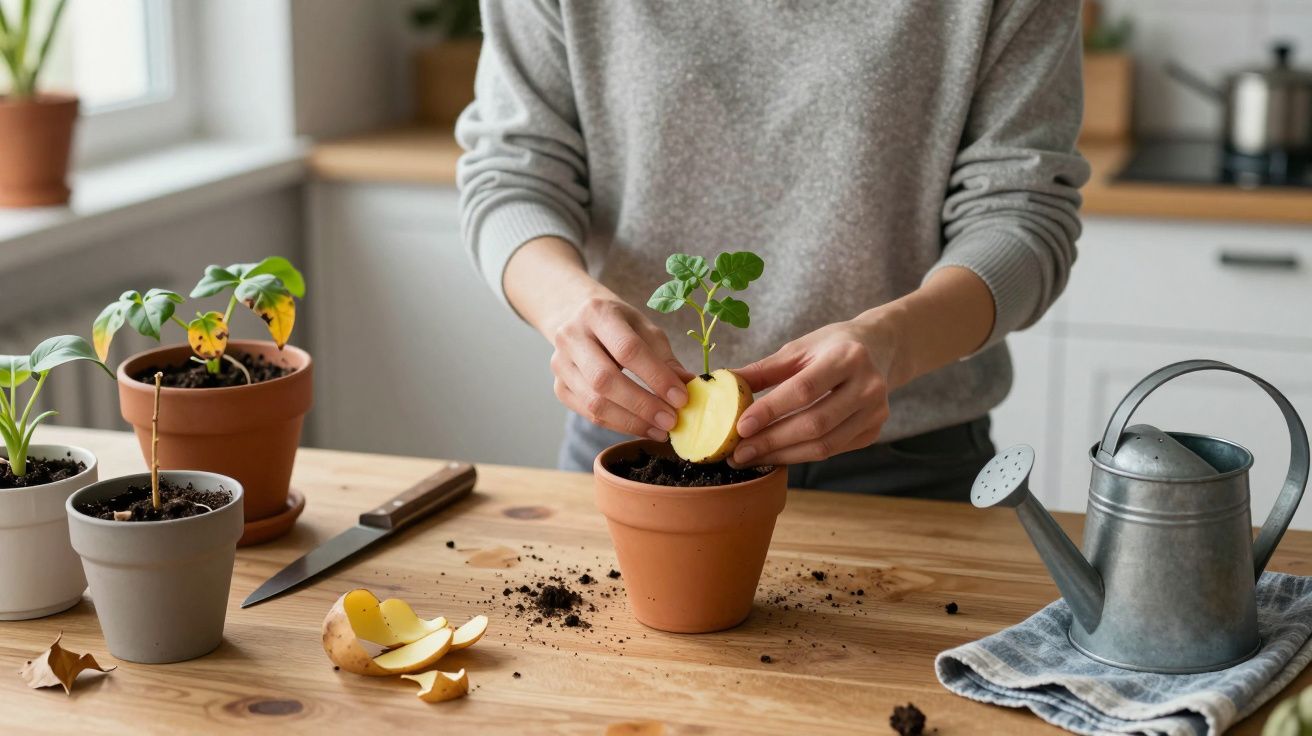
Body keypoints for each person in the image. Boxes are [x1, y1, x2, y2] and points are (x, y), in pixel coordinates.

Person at [456, 1, 1089, 499]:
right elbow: (514, 175)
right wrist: (569, 308)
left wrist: (894, 343)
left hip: (906, 465)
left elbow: (1021, 212)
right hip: (637, 447)